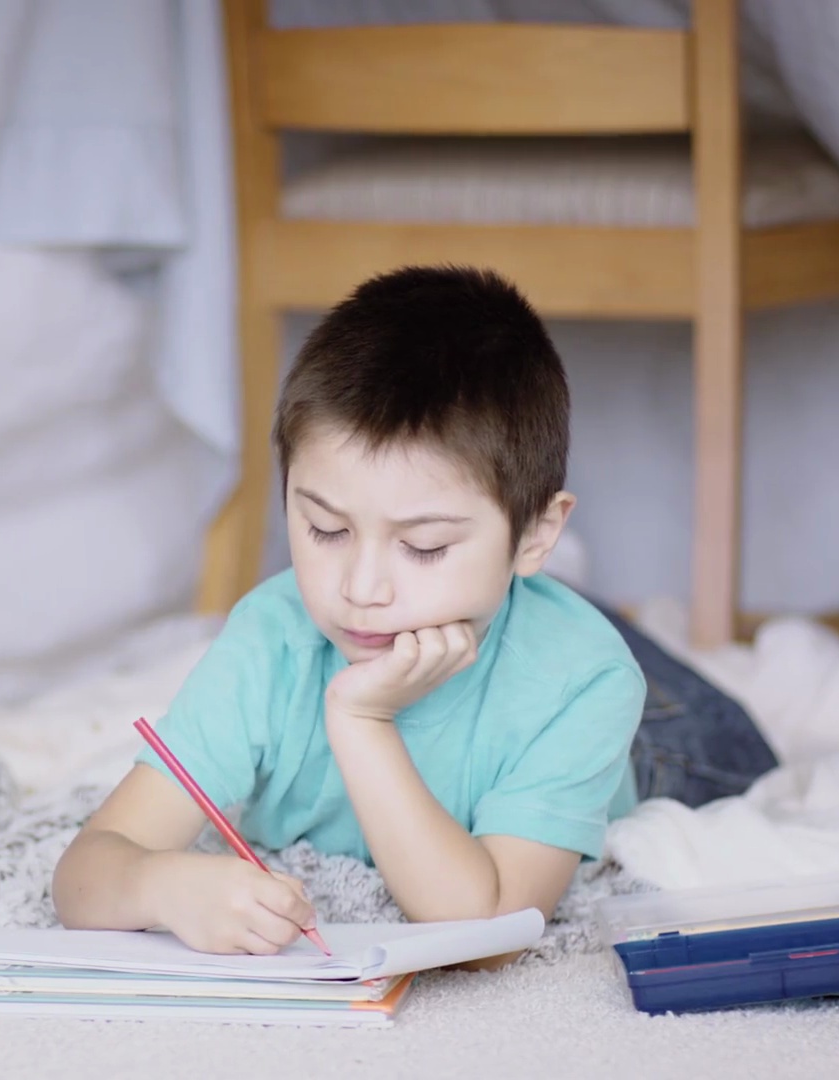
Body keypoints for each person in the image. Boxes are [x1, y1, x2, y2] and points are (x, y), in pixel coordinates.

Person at [54, 265, 681, 965]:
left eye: (423, 546)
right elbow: (84, 876)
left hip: (664, 743)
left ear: (537, 533)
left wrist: (362, 720)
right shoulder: (273, 637)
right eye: (326, 529)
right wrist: (158, 884)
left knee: (665, 703)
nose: (361, 588)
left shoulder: (584, 680)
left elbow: (486, 932)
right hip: (509, 609)